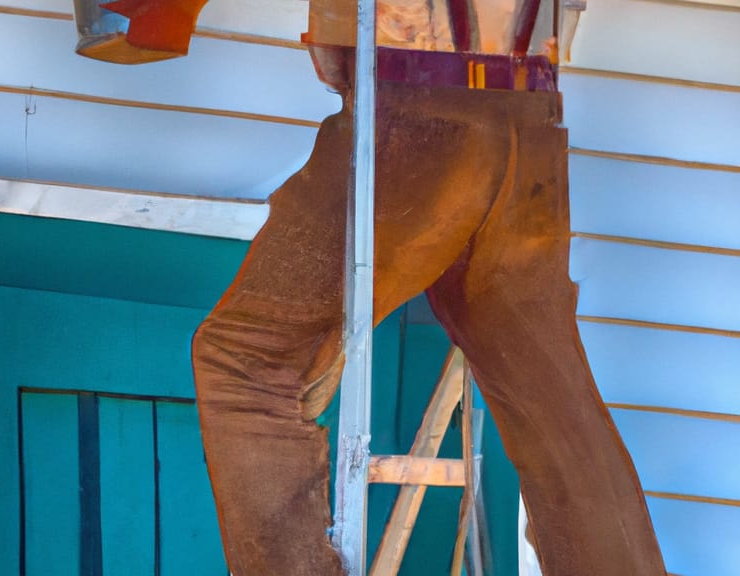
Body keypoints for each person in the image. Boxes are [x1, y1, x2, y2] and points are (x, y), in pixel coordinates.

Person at [99, 0, 668, 573]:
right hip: (529, 123)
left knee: (246, 360)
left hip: (413, 107)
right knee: (556, 416)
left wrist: (153, 15)